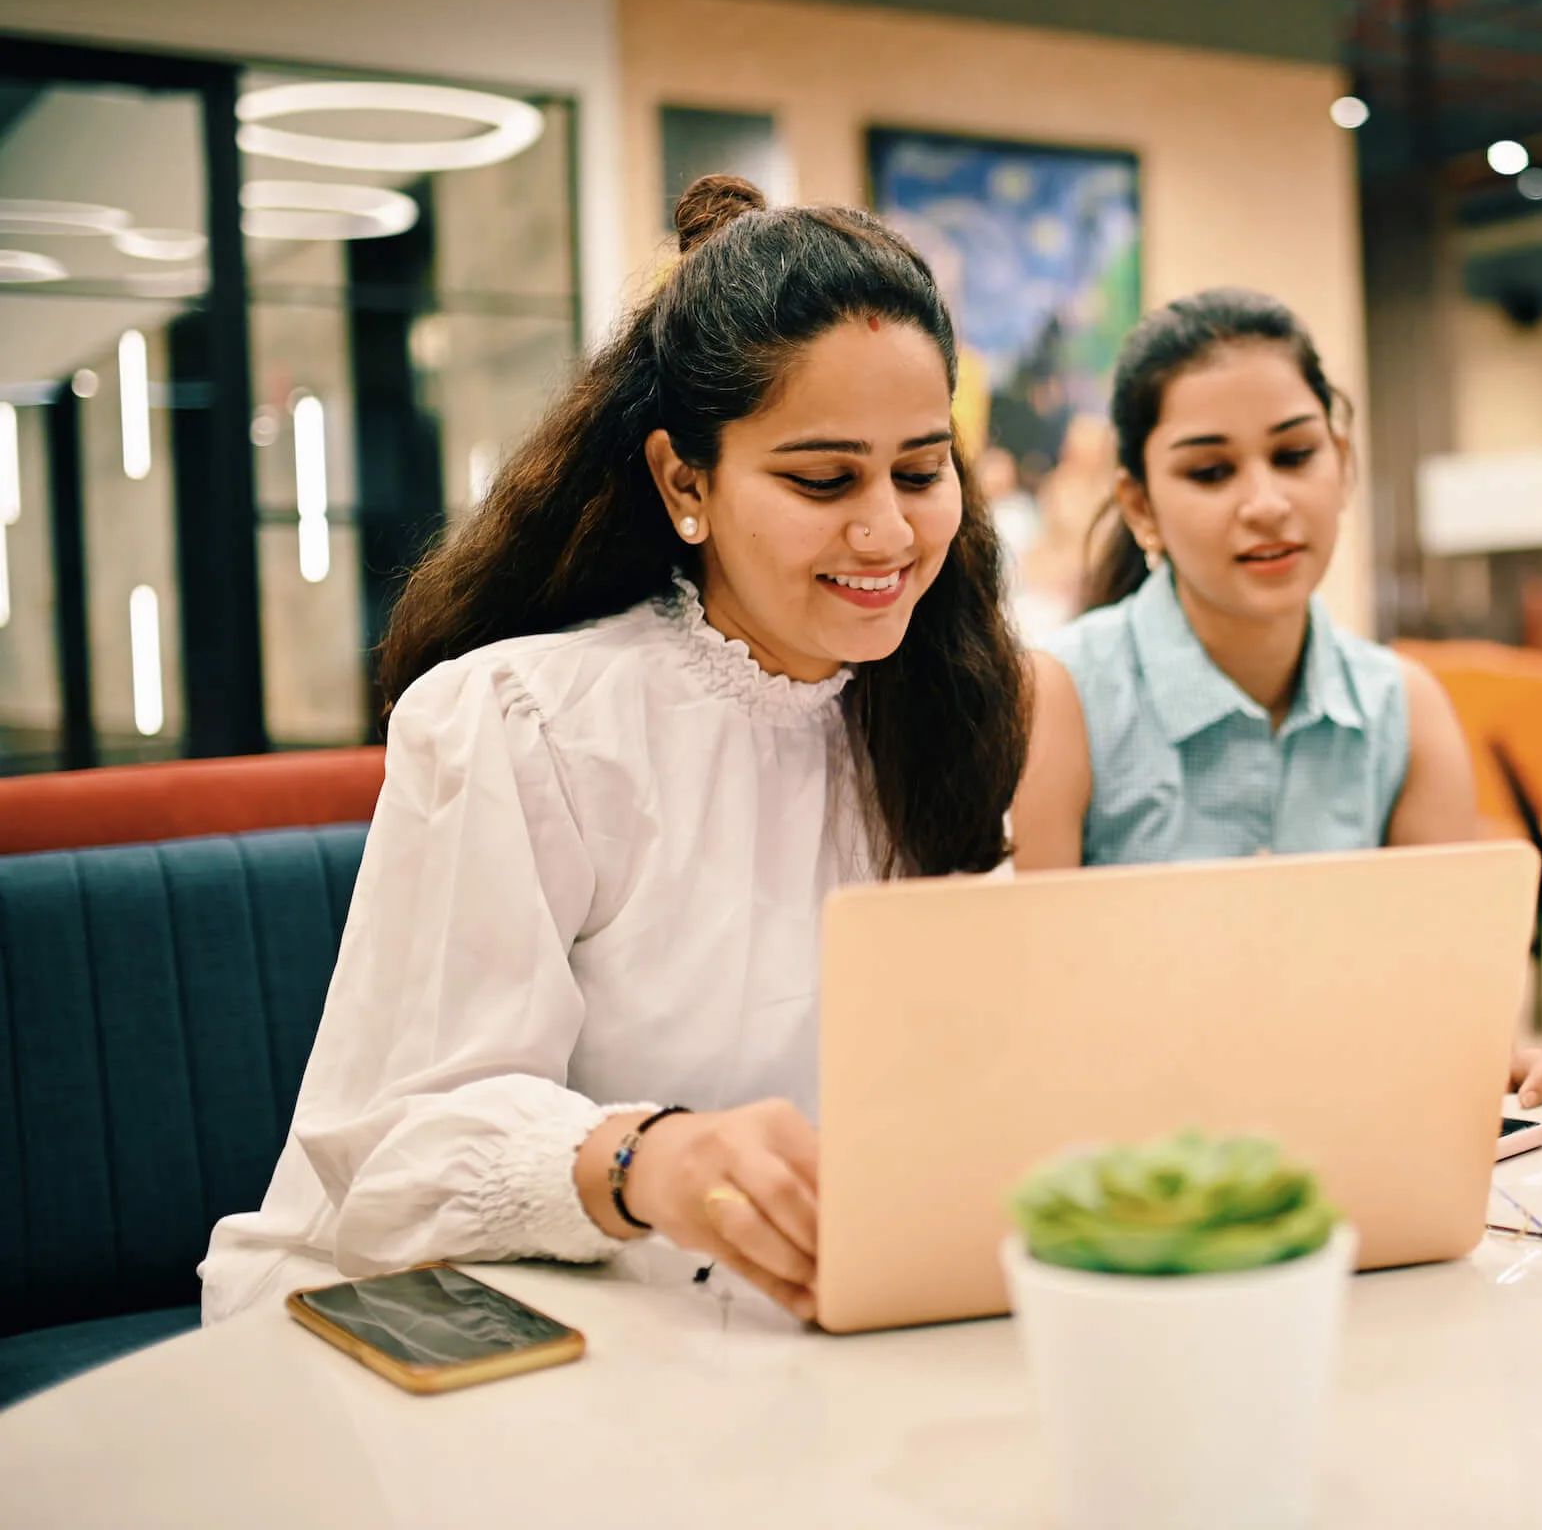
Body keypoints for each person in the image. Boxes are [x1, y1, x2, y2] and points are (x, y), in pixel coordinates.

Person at [201, 176, 1026, 1323]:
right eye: (823, 478)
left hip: (768, 1321)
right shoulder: (523, 719)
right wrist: (646, 1160)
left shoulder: (944, 710)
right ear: (684, 480)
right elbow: (395, 1163)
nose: (887, 528)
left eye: (921, 470)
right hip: (437, 1318)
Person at [1011, 288, 1542, 1110]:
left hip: (1359, 1151)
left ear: (1343, 465)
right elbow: (1030, 1016)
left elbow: (1441, 1013)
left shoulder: (1405, 706)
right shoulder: (1062, 695)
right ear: (1140, 507)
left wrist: (1505, 1068)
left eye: (1295, 455)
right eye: (1210, 471)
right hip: (1133, 1167)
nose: (1266, 502)